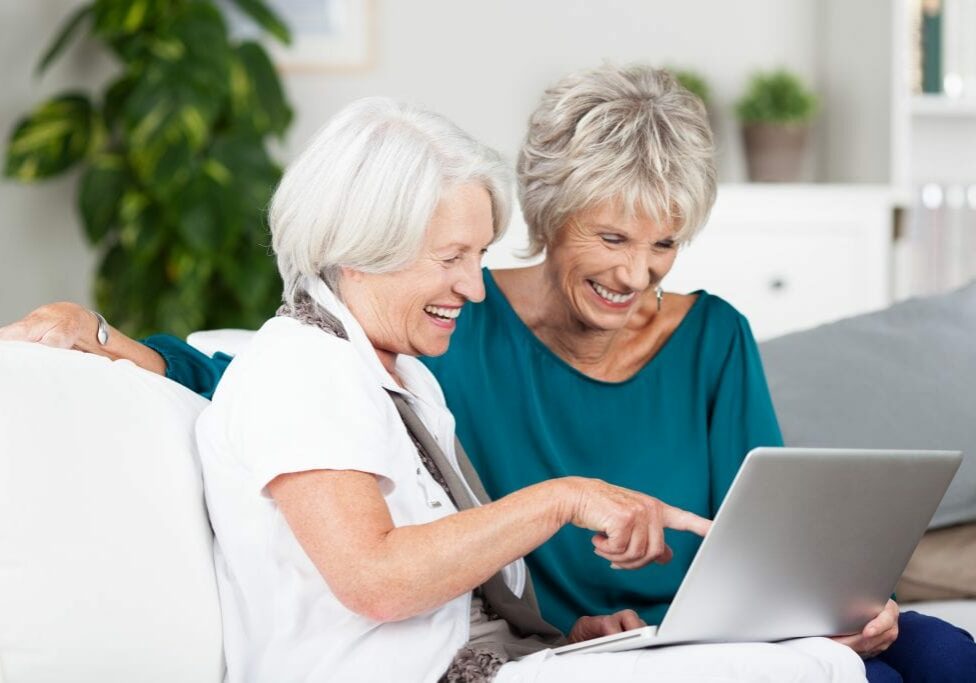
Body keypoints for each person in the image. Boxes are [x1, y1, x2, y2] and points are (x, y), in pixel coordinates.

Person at [4, 66, 973, 681]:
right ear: (550, 218)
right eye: (611, 236)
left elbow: (772, 530)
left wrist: (826, 600)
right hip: (604, 645)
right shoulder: (427, 336)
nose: (637, 272)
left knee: (933, 645)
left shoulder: (704, 337)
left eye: (666, 242)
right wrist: (113, 340)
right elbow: (262, 374)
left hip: (669, 629)